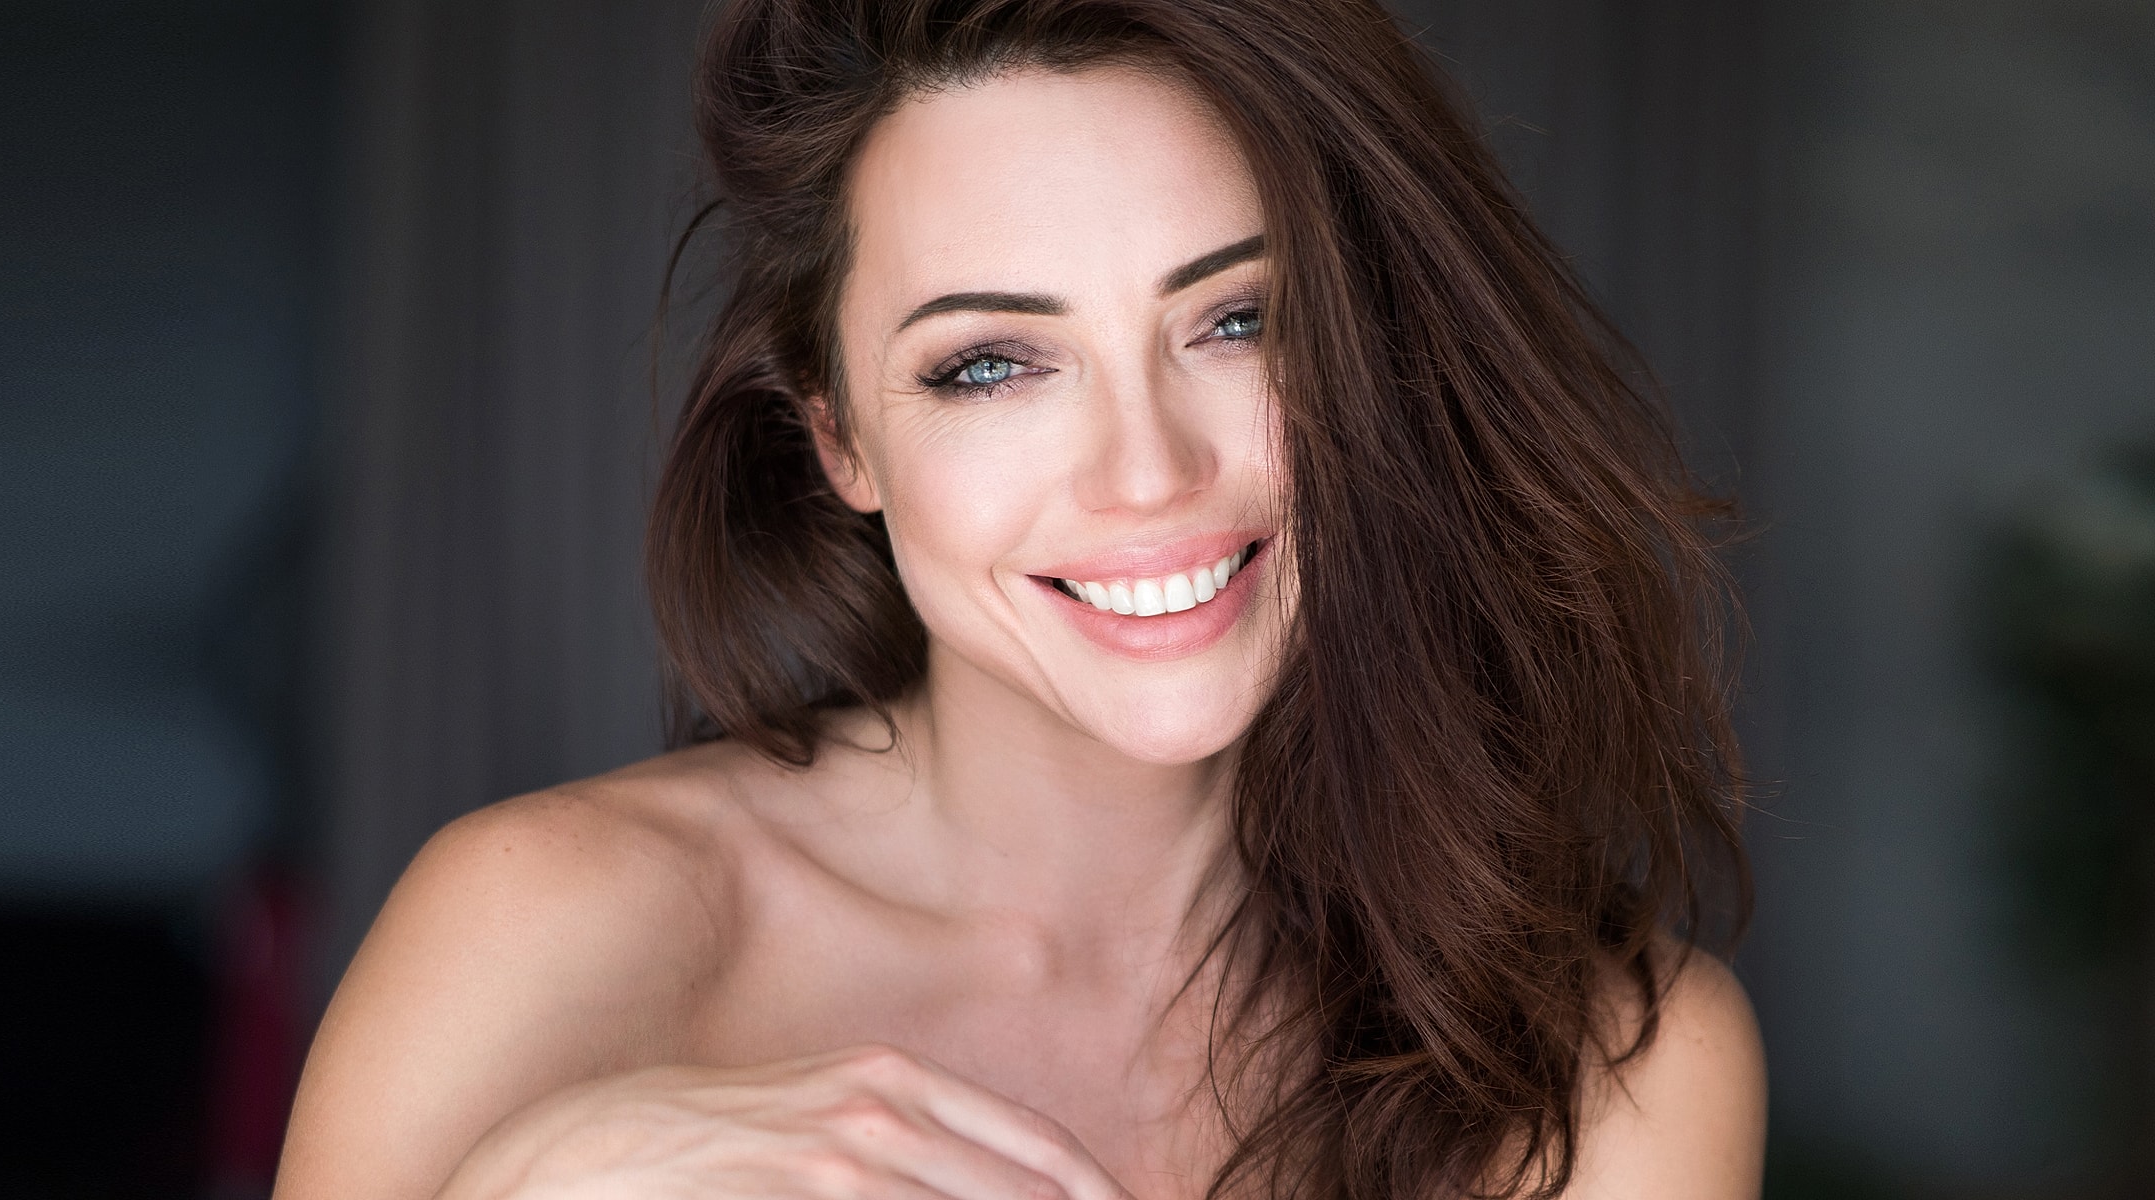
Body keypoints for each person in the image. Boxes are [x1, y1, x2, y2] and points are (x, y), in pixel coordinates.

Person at [274, 1, 1766, 1197]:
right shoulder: (543, 929)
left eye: (1239, 321)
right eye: (991, 363)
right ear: (839, 433)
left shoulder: (1616, 1066)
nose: (1147, 474)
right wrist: (530, 1184)